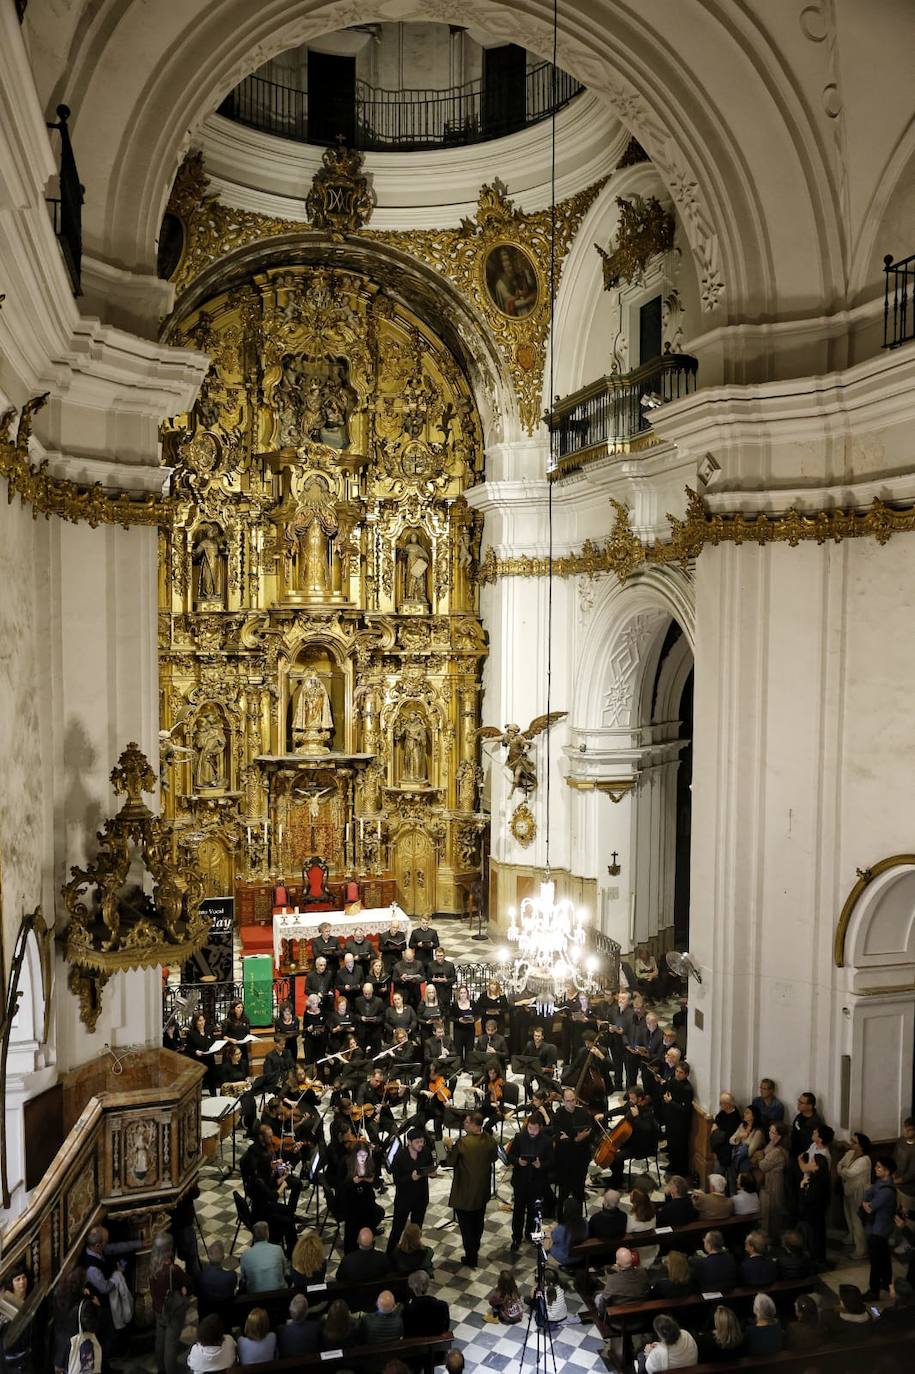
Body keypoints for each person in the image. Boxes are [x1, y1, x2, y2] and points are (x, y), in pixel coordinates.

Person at [447, 1110, 498, 1268]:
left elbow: (449, 1162)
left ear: (474, 1125)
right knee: (478, 1224)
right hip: (481, 1192)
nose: (464, 1124)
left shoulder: (463, 1143)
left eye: (467, 1122)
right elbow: (494, 1158)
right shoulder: (490, 1140)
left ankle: (471, 1256)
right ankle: (473, 1251)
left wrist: (445, 1145)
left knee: (466, 1227)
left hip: (464, 1194)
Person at [506, 1115, 552, 1252]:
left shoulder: (547, 1141)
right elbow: (510, 1156)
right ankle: (516, 1237)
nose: (532, 1131)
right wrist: (518, 1161)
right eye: (530, 1128)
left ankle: (530, 1234)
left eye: (535, 1129)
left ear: (540, 1128)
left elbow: (551, 1161)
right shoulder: (520, 1137)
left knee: (534, 1212)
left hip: (537, 1183)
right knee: (518, 1212)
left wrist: (541, 1165)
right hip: (521, 1182)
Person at [389, 1130, 436, 1251]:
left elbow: (430, 1166)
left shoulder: (425, 1152)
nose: (420, 1144)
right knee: (397, 1229)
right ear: (409, 1142)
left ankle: (414, 1251)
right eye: (417, 1142)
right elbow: (397, 1180)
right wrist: (411, 1177)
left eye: (422, 1141)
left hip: (421, 1196)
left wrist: (432, 1173)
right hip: (404, 1199)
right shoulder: (400, 1156)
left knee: (417, 1228)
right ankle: (389, 1254)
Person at [148, 1233, 188, 1374]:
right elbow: (184, 1286)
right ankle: (171, 1370)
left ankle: (161, 1368)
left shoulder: (152, 1266)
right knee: (171, 1343)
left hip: (158, 1308)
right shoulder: (173, 1269)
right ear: (169, 1249)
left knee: (160, 1339)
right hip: (172, 1310)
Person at [861, 1155, 898, 1299]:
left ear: (887, 1171)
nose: (876, 1169)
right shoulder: (879, 1183)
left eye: (879, 1167)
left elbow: (870, 1207)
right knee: (884, 1257)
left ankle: (873, 1291)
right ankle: (886, 1282)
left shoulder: (886, 1191)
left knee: (876, 1261)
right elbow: (867, 1194)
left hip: (880, 1229)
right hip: (877, 1226)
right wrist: (866, 1202)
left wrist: (866, 1204)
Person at [340, 1143, 384, 1253]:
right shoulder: (346, 1163)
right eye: (360, 1156)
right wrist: (352, 1182)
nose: (362, 1159)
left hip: (367, 1202)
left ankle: (367, 1248)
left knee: (372, 1218)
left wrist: (371, 1180)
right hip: (351, 1205)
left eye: (365, 1156)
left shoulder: (369, 1164)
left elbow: (377, 1184)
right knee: (352, 1232)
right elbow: (341, 1189)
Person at [553, 1087, 594, 1208]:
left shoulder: (583, 1113)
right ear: (563, 1101)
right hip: (564, 1160)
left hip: (581, 1157)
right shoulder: (558, 1115)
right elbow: (559, 1139)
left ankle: (578, 1218)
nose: (572, 1103)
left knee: (579, 1190)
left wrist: (570, 1137)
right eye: (568, 1101)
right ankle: (561, 1218)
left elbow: (591, 1134)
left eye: (573, 1100)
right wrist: (576, 1139)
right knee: (564, 1192)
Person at [838, 1130, 873, 1259]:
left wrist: (842, 1171)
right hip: (848, 1188)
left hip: (859, 1192)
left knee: (857, 1219)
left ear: (861, 1146)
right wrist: (843, 1170)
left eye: (854, 1142)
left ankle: (861, 1249)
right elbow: (839, 1165)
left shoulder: (865, 1160)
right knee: (848, 1214)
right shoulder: (850, 1153)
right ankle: (851, 1236)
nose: (851, 1143)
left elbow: (850, 1173)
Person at [755, 1120, 790, 1239]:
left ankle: (771, 1238)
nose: (769, 1133)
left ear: (779, 1136)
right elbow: (763, 1153)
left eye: (773, 1132)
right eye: (770, 1130)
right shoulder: (772, 1145)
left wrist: (760, 1157)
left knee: (772, 1210)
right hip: (768, 1181)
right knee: (765, 1210)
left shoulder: (778, 1151)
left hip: (774, 1183)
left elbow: (763, 1165)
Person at [797, 1142, 831, 1264]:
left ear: (818, 1167)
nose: (810, 1164)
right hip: (818, 1216)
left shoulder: (815, 1184)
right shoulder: (823, 1179)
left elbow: (805, 1202)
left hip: (812, 1216)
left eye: (813, 1162)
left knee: (813, 1239)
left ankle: (814, 1260)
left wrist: (802, 1188)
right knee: (818, 1237)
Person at [662, 1060, 694, 1177]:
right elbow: (668, 1093)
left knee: (680, 1147)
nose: (677, 1074)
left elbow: (685, 1109)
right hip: (671, 1118)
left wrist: (671, 1102)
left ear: (686, 1074)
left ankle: (680, 1170)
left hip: (681, 1123)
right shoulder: (673, 1081)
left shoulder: (687, 1089)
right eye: (676, 1071)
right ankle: (672, 1165)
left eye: (681, 1072)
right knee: (671, 1144)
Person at [195, 1240, 236, 1327]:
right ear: (223, 1257)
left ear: (208, 1257)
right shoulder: (231, 1276)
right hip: (224, 1319)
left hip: (205, 1317)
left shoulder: (200, 1276)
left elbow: (197, 1293)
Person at [596, 1246, 649, 1312]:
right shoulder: (642, 1273)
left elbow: (605, 1301)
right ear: (632, 1258)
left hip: (619, 1316)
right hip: (640, 1312)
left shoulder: (613, 1279)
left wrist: (602, 1313)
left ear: (617, 1262)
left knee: (598, 1298)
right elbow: (647, 1291)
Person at [401, 1269, 450, 1338]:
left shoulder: (406, 1310)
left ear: (411, 1287)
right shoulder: (442, 1306)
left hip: (414, 1345)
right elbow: (445, 1328)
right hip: (437, 1344)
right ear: (428, 1285)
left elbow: (405, 1331)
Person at [239, 1221, 286, 1292]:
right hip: (278, 1293)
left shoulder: (245, 1254)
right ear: (267, 1234)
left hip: (255, 1296)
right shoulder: (278, 1249)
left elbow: (244, 1278)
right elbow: (283, 1272)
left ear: (253, 1236)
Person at [546, 1198, 588, 1267]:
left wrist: (554, 1229)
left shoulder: (563, 1228)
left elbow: (554, 1237)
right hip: (580, 1255)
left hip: (566, 1257)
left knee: (547, 1240)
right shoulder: (585, 1222)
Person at [729, 1105, 765, 1182]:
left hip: (749, 1158)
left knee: (742, 1156)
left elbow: (750, 1152)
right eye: (745, 1112)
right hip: (738, 1154)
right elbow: (731, 1140)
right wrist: (739, 1136)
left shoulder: (758, 1131)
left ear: (754, 1116)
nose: (744, 1114)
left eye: (747, 1113)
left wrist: (743, 1141)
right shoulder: (742, 1125)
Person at [655, 1176, 698, 1240]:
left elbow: (659, 1222)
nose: (668, 1188)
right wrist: (668, 1196)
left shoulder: (668, 1208)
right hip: (688, 1236)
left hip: (673, 1240)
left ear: (675, 1189)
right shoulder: (689, 1202)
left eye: (669, 1186)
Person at [709, 1092, 742, 1173]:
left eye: (721, 1103)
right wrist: (715, 1125)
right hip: (719, 1146)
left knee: (719, 1172)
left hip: (726, 1149)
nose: (720, 1105)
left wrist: (716, 1130)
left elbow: (727, 1135)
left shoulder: (735, 1117)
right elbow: (717, 1119)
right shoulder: (723, 1112)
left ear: (728, 1104)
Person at [626, 1187, 659, 1267]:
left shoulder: (631, 1218)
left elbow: (627, 1232)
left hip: (638, 1250)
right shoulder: (653, 1213)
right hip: (652, 1246)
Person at [894, 1116, 915, 1212]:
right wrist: (892, 1174)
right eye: (905, 1127)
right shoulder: (901, 1141)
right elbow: (894, 1157)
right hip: (894, 1182)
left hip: (908, 1189)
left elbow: (912, 1173)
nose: (906, 1131)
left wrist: (898, 1180)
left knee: (906, 1218)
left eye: (910, 1129)